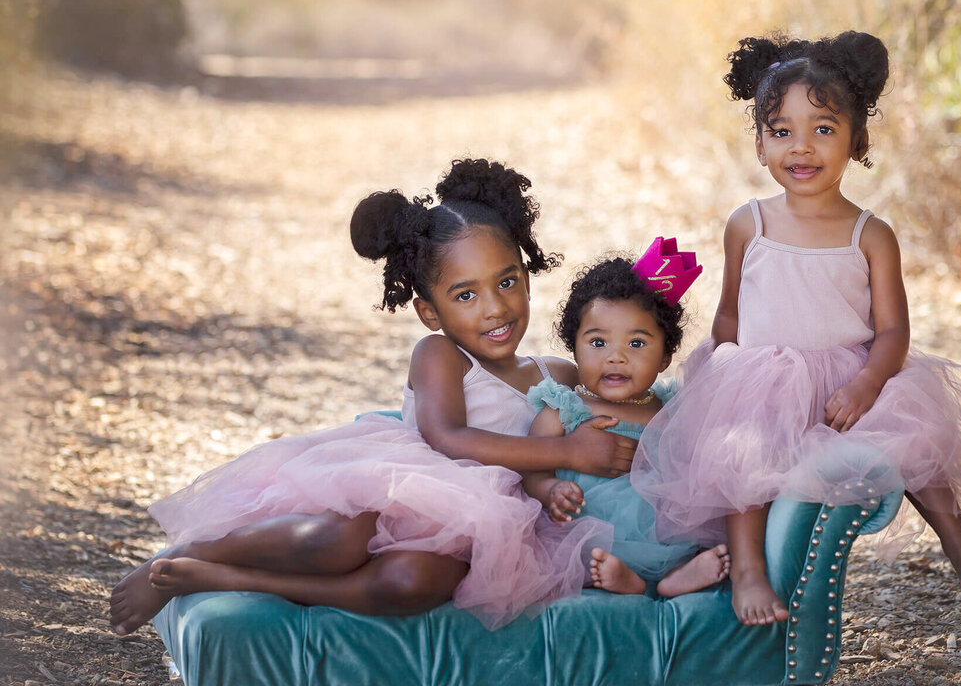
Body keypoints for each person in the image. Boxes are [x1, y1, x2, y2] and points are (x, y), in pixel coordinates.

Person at [108, 158, 631, 634]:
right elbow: (446, 437)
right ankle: (194, 552)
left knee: (408, 584)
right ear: (431, 313)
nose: (495, 308)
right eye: (465, 295)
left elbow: (625, 394)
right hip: (406, 490)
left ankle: (225, 579)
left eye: (508, 282)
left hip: (490, 527)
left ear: (527, 277)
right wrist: (566, 452)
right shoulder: (441, 356)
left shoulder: (556, 373)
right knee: (333, 542)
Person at [631, 31, 961, 626]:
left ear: (857, 139)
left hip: (850, 373)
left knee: (913, 434)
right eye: (781, 131)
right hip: (761, 380)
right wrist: (723, 371)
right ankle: (750, 572)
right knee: (742, 454)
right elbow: (731, 311)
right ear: (760, 144)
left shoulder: (870, 233)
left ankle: (955, 536)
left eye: (823, 128)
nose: (802, 147)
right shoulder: (748, 223)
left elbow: (893, 332)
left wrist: (868, 384)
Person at [522, 251, 731, 597]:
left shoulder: (670, 409)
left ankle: (672, 578)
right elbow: (532, 467)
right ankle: (631, 580)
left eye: (636, 343)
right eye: (598, 342)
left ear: (665, 356)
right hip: (588, 527)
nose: (615, 356)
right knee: (580, 553)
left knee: (692, 532)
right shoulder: (564, 408)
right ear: (574, 349)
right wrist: (549, 490)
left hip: (663, 530)